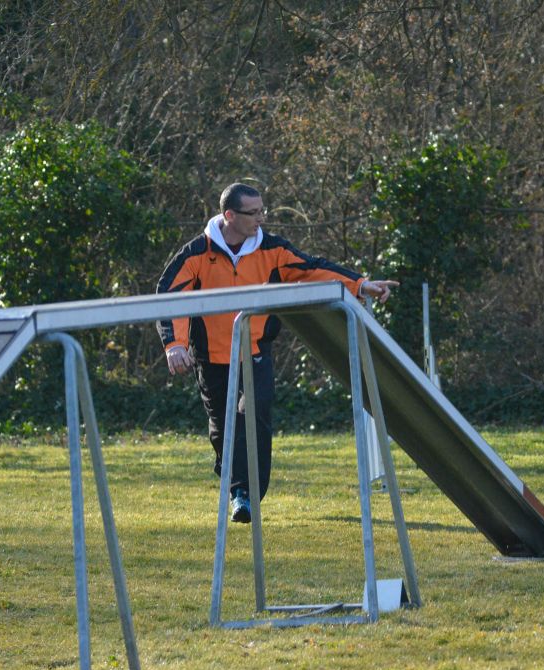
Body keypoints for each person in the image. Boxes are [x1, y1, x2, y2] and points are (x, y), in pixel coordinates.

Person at [156, 183, 397, 523]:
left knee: (254, 416)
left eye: (262, 210)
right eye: (253, 213)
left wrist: (359, 284)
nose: (261, 218)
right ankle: (233, 476)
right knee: (223, 427)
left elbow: (312, 268)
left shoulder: (272, 249)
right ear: (230, 216)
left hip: (255, 352)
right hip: (211, 357)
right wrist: (175, 344)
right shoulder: (197, 253)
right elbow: (169, 295)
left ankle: (245, 494)